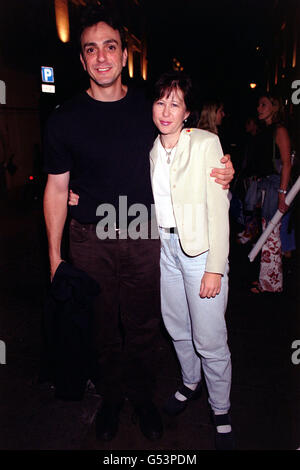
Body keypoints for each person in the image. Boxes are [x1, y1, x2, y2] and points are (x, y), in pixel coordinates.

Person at [43, 5, 235, 443]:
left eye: (110, 46)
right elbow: (56, 189)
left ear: (123, 53)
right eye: (91, 49)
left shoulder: (150, 104)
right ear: (82, 60)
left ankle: (143, 396)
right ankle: (111, 399)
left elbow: (189, 141)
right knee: (102, 323)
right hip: (90, 236)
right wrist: (55, 256)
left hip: (145, 234)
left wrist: (226, 166)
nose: (102, 57)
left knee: (146, 323)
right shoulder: (65, 118)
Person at [150, 72, 233, 450]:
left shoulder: (205, 143)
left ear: (187, 113)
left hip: (200, 254)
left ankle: (221, 410)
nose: (166, 111)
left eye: (175, 104)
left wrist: (216, 266)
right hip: (166, 250)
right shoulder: (151, 147)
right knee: (176, 326)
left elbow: (219, 208)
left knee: (210, 338)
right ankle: (190, 382)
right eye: (161, 101)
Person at [249, 92, 291, 293]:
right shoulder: (266, 131)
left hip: (275, 186)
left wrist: (282, 193)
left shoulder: (279, 130)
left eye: (263, 104)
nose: (259, 108)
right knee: (268, 232)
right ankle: (268, 280)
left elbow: (286, 164)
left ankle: (271, 283)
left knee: (271, 234)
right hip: (268, 185)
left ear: (274, 107)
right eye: (259, 104)